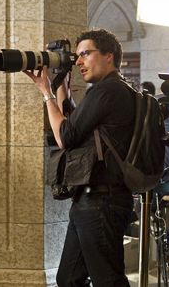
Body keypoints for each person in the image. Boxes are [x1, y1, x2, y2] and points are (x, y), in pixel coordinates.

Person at [24, 29, 136, 287]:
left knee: (108, 280)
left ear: (109, 56)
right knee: (69, 278)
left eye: (86, 54)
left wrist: (46, 92)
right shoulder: (118, 90)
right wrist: (61, 88)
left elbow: (64, 136)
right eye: (76, 56)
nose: (78, 61)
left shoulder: (106, 91)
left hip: (101, 201)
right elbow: (76, 125)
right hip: (92, 200)